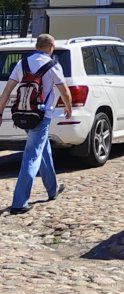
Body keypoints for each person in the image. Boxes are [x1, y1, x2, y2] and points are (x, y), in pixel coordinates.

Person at [0, 34, 73, 214]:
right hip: (41, 116)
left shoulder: (22, 64)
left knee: (43, 149)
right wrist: (68, 107)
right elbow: (64, 90)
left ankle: (52, 189)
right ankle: (19, 202)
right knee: (32, 156)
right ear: (50, 47)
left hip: (23, 115)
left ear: (37, 45)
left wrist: (0, 112)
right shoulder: (53, 65)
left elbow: (7, 90)